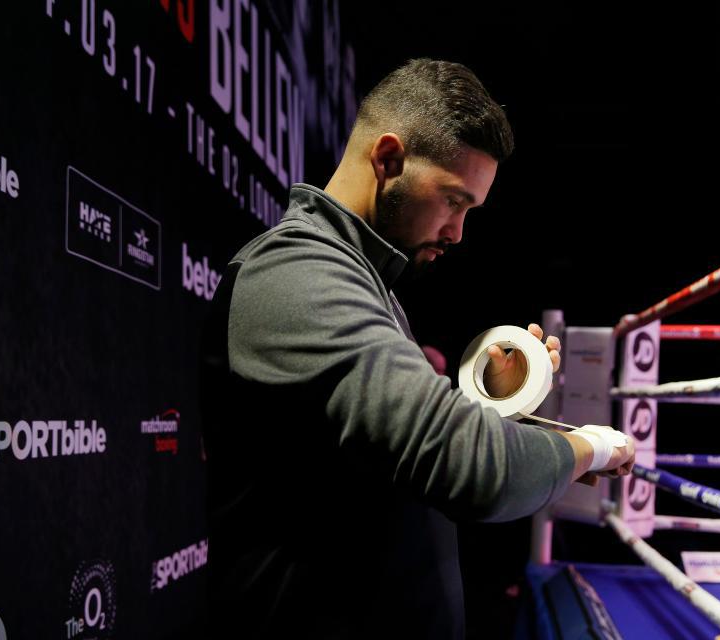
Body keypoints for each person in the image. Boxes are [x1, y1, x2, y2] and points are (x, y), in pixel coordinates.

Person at [199, 58, 635, 639]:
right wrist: (591, 447)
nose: (457, 233)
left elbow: (382, 460)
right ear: (387, 159)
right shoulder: (296, 275)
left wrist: (496, 402)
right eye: (454, 202)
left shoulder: (364, 280)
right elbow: (473, 470)